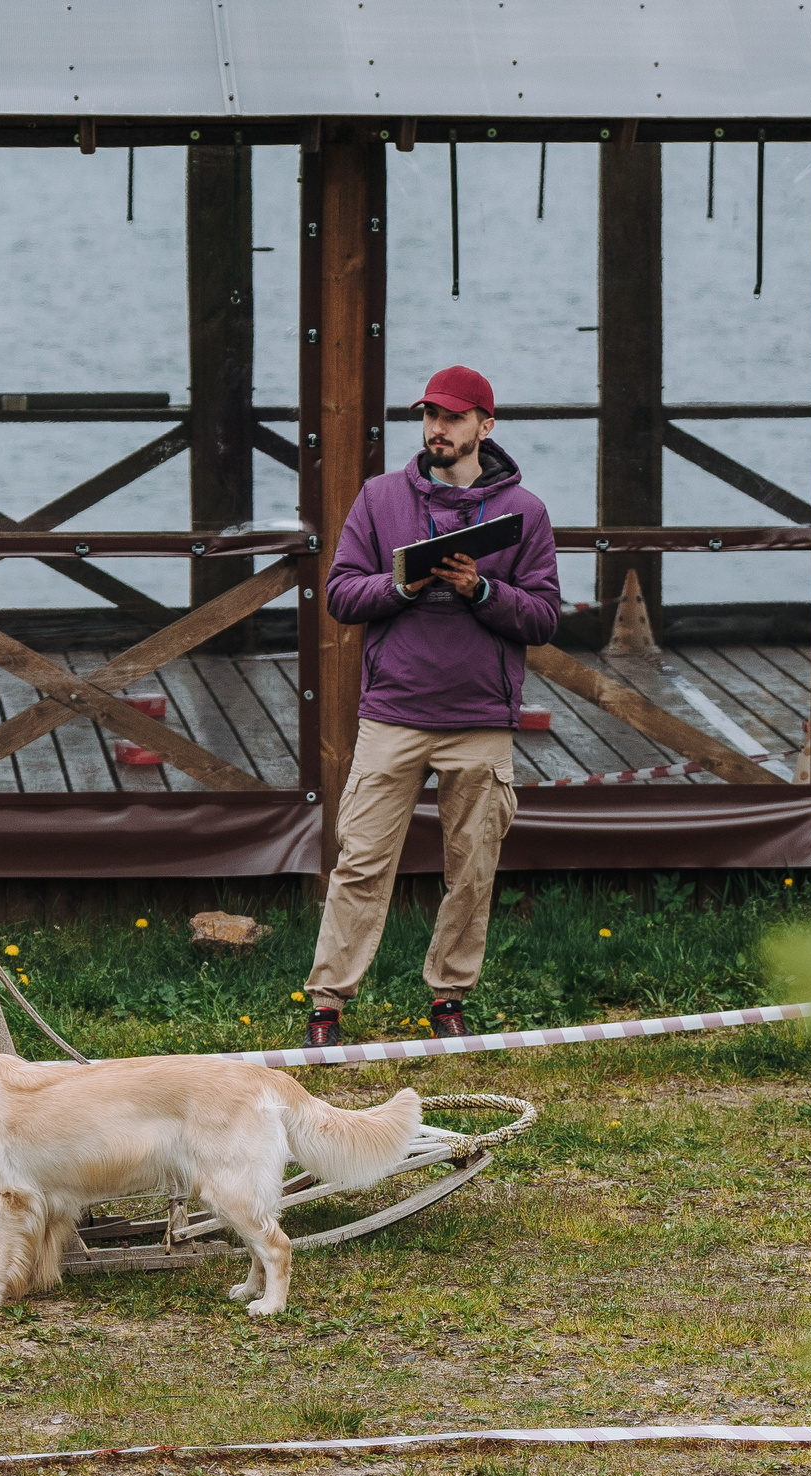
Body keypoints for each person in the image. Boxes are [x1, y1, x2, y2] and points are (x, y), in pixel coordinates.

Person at [302, 365, 563, 1048]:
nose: (436, 428)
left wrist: (481, 590)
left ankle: (449, 998)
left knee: (472, 870)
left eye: (451, 417)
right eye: (429, 416)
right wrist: (404, 586)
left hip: (481, 720)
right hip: (393, 711)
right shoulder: (380, 497)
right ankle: (327, 1005)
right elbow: (340, 595)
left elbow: (542, 617)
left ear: (485, 425)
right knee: (360, 860)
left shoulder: (525, 514)